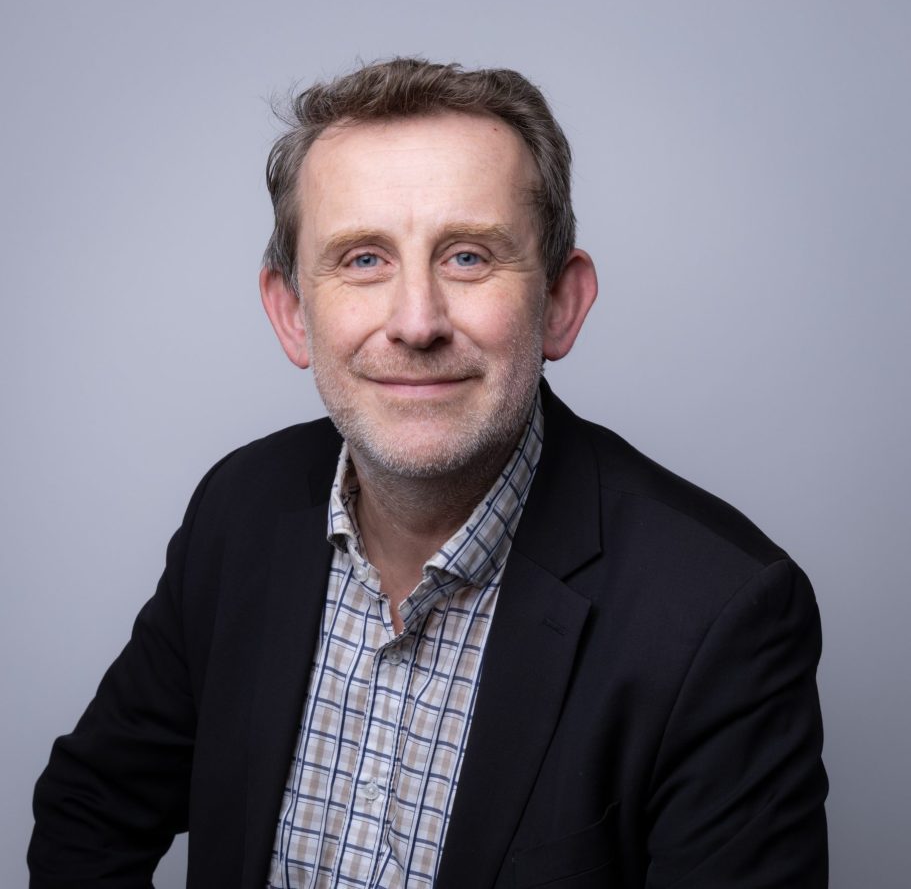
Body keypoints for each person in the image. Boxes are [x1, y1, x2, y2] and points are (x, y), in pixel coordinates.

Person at [29, 58, 827, 888]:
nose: (416, 323)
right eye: (363, 259)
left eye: (469, 257)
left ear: (560, 303)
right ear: (292, 313)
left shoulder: (718, 612)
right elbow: (91, 811)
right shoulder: (240, 509)